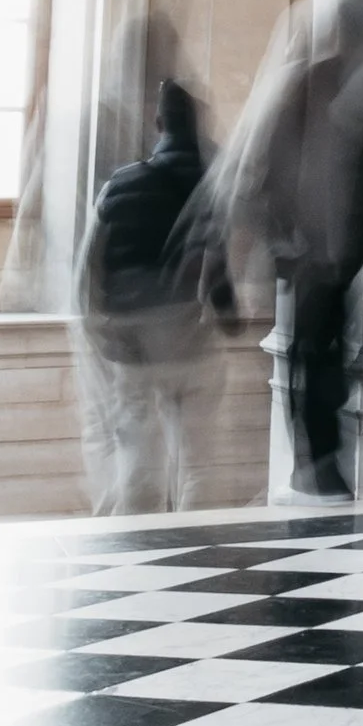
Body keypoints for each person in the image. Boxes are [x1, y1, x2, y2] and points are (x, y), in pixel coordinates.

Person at [223, 0, 363, 496]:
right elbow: (264, 172)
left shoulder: (359, 84)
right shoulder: (310, 84)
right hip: (311, 250)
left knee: (322, 351)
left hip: (337, 254)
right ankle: (315, 462)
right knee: (313, 353)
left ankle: (319, 460)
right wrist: (284, 239)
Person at [75, 77, 230, 513]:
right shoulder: (212, 187)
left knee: (138, 455)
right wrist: (225, 313)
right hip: (188, 335)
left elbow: (90, 265)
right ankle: (197, 552)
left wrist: (99, 327)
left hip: (133, 342)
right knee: (198, 460)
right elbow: (218, 266)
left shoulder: (120, 184)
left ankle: (137, 552)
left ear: (158, 122)